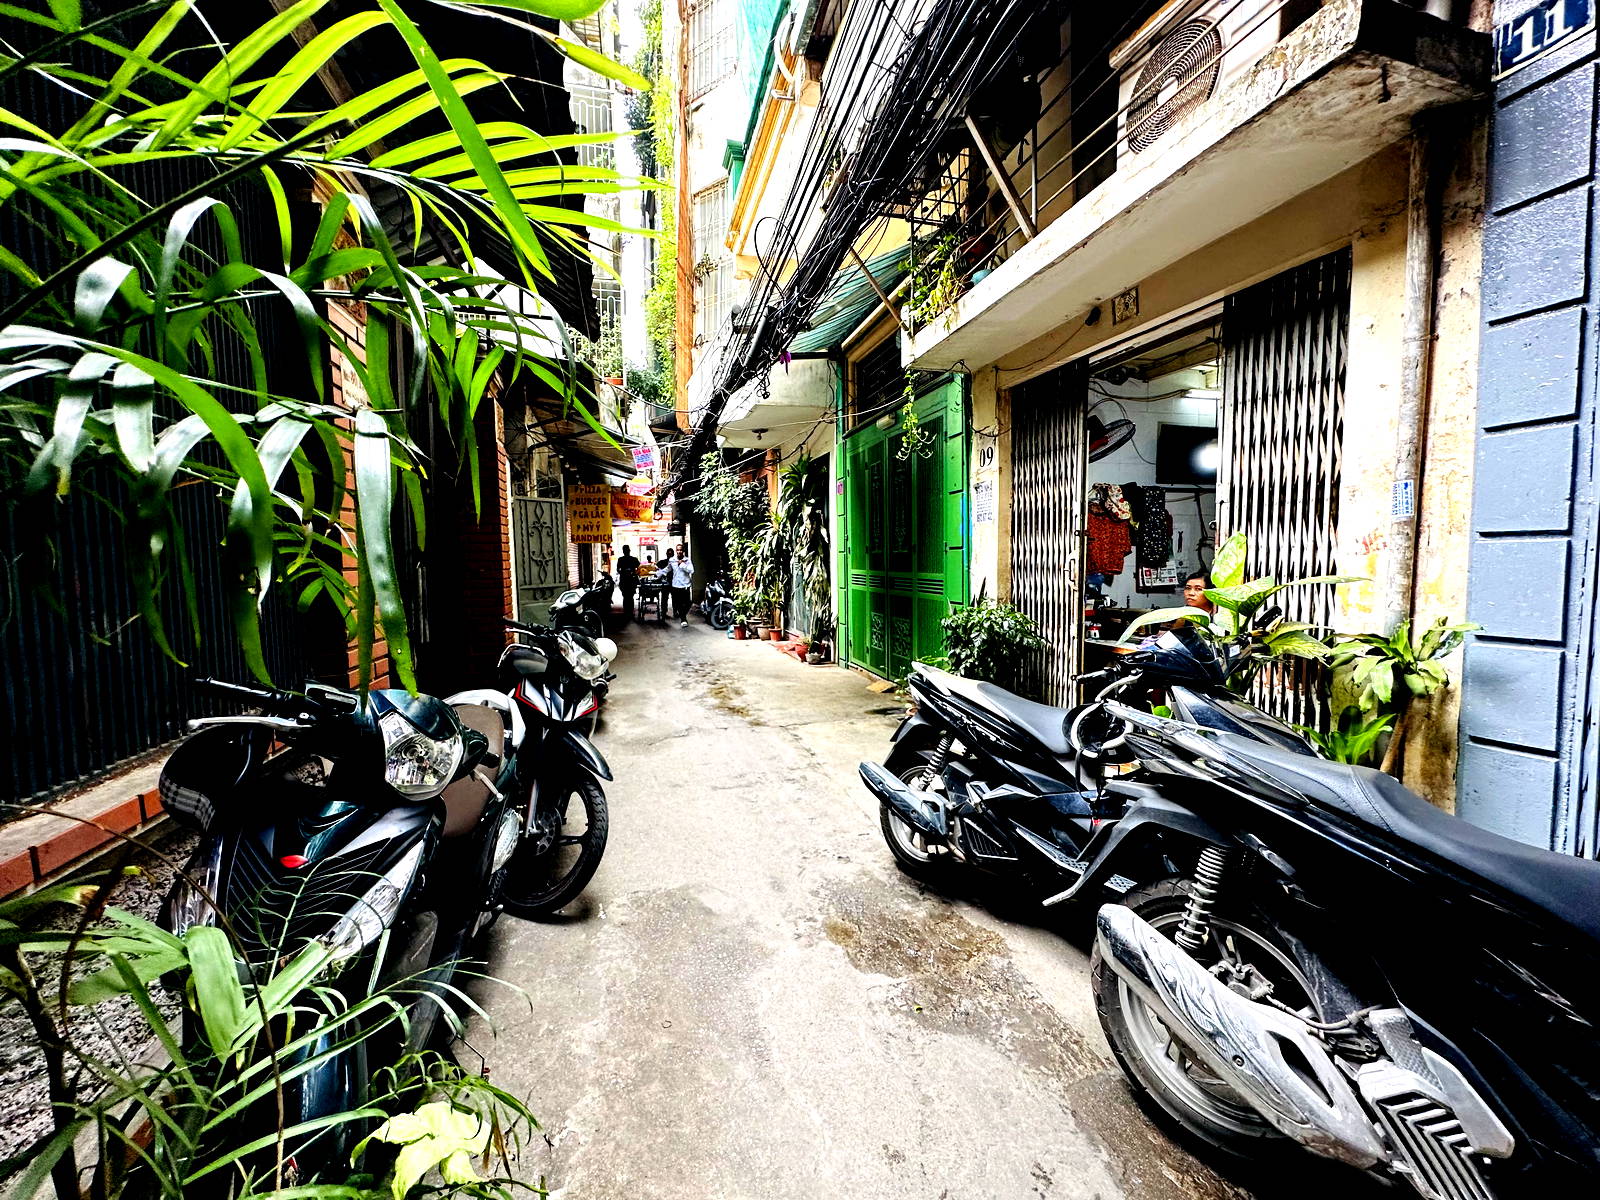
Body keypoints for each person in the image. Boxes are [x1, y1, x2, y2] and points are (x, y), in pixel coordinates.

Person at [662, 545, 694, 627]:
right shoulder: (672, 560)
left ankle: (682, 615)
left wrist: (682, 564)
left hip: (685, 585)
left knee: (688, 603)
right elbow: (668, 569)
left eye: (681, 550)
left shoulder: (687, 560)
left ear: (683, 551)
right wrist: (658, 573)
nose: (679, 551)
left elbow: (691, 570)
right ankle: (683, 619)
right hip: (676, 585)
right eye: (678, 550)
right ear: (676, 551)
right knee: (679, 603)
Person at [617, 544, 640, 621]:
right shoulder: (634, 559)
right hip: (630, 581)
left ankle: (627, 612)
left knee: (626, 597)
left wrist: (623, 573)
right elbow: (639, 568)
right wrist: (633, 573)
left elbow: (618, 570)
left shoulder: (621, 559)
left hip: (626, 581)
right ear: (629, 551)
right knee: (629, 597)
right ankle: (629, 612)